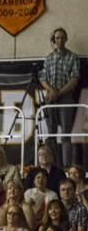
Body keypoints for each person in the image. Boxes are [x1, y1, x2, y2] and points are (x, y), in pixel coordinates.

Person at [41, 27, 80, 166]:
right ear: (54, 40)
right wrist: (51, 91)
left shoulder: (73, 57)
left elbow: (74, 79)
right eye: (57, 38)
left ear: (66, 39)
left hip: (66, 98)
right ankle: (51, 165)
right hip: (51, 97)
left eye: (62, 37)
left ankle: (66, 167)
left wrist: (60, 92)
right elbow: (43, 78)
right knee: (51, 133)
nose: (60, 40)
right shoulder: (49, 58)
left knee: (65, 133)